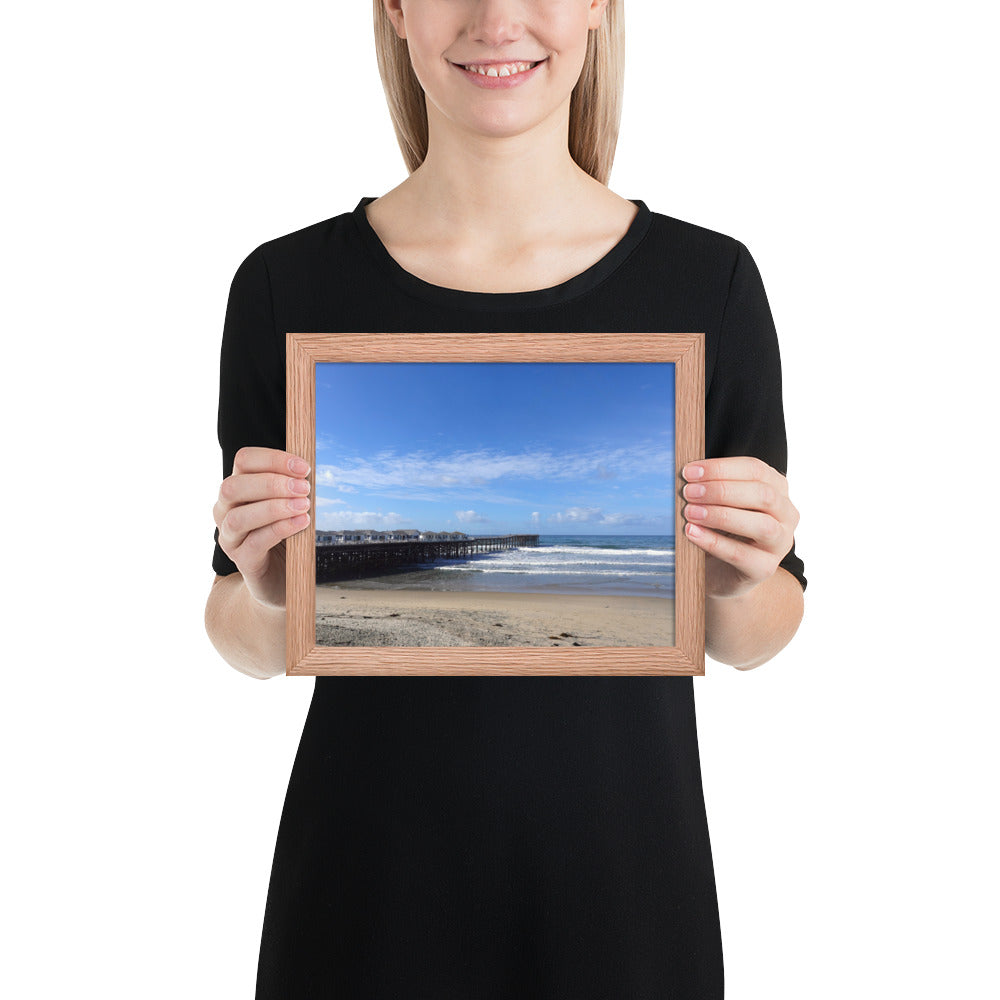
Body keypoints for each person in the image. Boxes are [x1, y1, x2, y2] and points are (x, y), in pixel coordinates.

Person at [205, 1, 807, 996]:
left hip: (624, 889)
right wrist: (267, 583)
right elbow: (238, 632)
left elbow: (757, 632)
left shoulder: (709, 284)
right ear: (396, 9)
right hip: (364, 893)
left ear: (599, 9)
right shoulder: (285, 286)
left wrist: (744, 570)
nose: (497, 17)